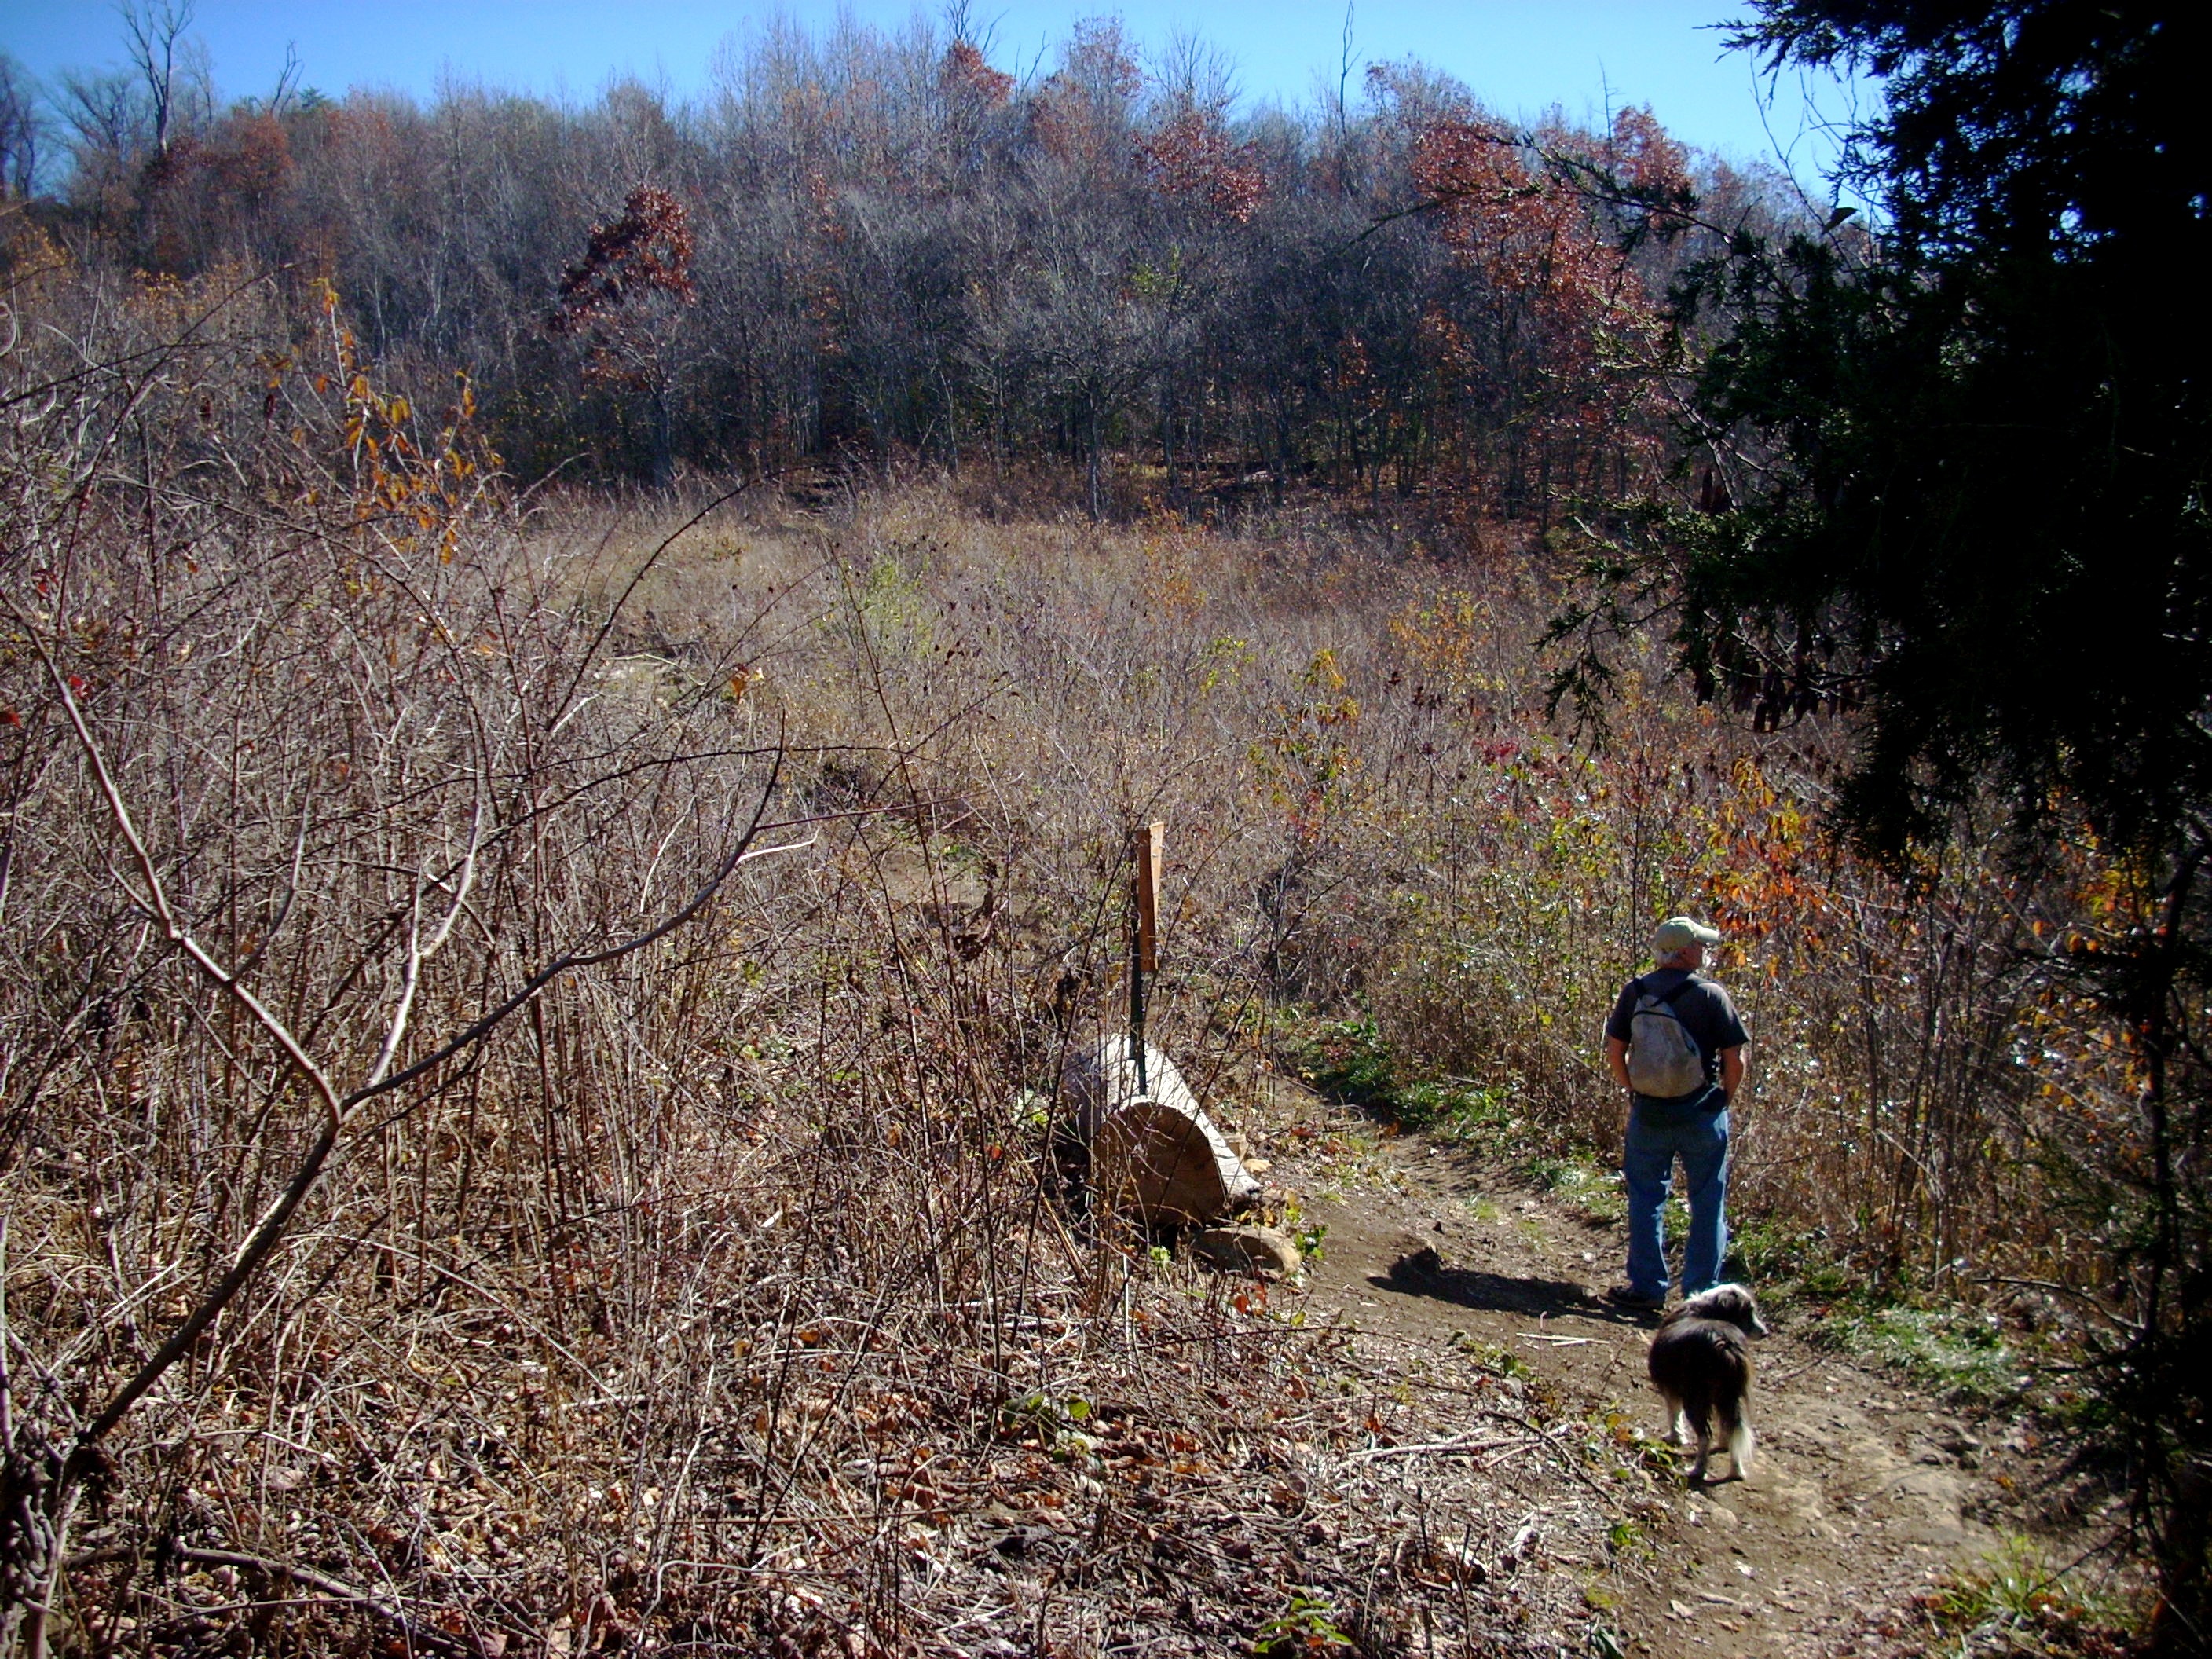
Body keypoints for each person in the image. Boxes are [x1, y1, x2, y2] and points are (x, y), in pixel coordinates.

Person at [1601, 916, 1749, 1310]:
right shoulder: (1712, 995)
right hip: (1702, 1111)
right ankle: (1700, 1295)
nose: (1703, 951)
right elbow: (1735, 1060)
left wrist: (1632, 1089)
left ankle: (1647, 1288)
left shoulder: (1635, 992)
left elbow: (1615, 1051)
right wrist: (1723, 1099)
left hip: (1649, 1112)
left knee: (1646, 1197)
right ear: (1685, 952)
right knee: (1707, 1200)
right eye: (1699, 946)